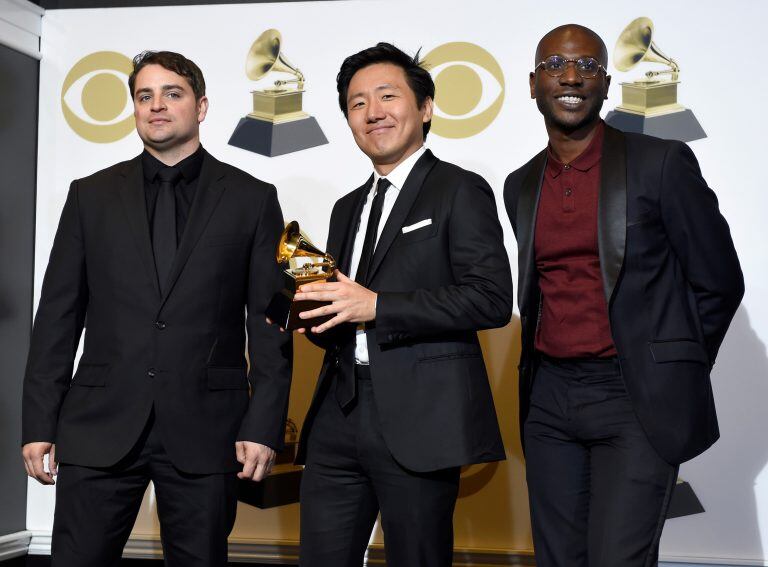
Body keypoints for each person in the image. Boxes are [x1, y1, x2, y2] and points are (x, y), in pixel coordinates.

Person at [21, 50, 292, 567]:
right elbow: (57, 316)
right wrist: (38, 420)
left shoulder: (253, 199)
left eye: (173, 93)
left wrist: (263, 424)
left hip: (208, 427)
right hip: (98, 424)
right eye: (144, 96)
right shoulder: (90, 196)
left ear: (202, 106)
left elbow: (269, 322)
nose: (156, 106)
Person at [503, 24, 744, 566]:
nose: (570, 76)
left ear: (606, 83)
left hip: (631, 398)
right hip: (548, 401)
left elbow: (719, 281)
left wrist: (669, 364)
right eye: (555, 66)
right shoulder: (519, 184)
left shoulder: (661, 164)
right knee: (558, 559)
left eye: (587, 66)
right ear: (533, 84)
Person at [290, 42, 513, 566]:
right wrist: (315, 315)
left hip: (420, 417)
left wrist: (377, 306)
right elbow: (352, 306)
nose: (372, 112)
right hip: (338, 413)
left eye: (387, 96)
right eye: (356, 103)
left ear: (426, 107)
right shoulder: (348, 207)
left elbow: (491, 298)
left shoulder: (460, 190)